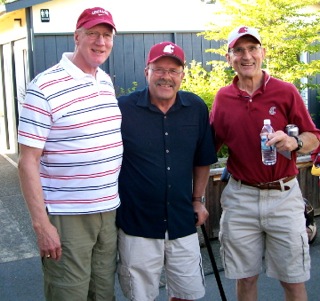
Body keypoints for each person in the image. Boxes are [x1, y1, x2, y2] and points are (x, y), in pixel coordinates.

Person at [17, 7, 122, 301]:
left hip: (107, 211)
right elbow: (27, 162)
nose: (100, 42)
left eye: (106, 35)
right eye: (92, 33)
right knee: (69, 294)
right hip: (67, 216)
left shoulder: (104, 81)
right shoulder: (44, 87)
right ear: (76, 36)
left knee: (102, 294)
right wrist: (41, 225)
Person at [210, 26, 320, 301]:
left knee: (293, 280)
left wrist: (295, 143)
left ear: (263, 53)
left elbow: (314, 137)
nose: (246, 56)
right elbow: (208, 146)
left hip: (284, 196)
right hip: (241, 197)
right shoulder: (223, 98)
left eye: (252, 49)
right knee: (244, 278)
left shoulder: (285, 91)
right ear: (229, 58)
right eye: (239, 50)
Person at [116, 41, 217, 301]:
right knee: (141, 296)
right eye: (159, 69)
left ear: (182, 75)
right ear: (146, 71)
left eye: (173, 71)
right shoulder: (122, 109)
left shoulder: (195, 108)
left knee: (187, 294)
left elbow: (202, 159)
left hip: (182, 221)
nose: (166, 77)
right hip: (137, 223)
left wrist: (198, 200)